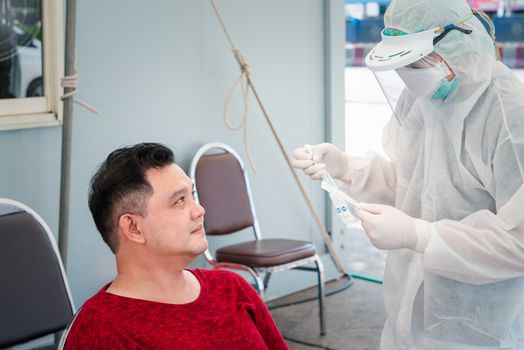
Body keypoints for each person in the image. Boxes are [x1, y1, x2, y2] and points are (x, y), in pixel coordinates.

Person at [292, 0, 524, 349]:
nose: (410, 75)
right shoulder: (422, 96)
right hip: (408, 315)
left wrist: (422, 235)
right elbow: (411, 183)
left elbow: (518, 242)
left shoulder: (509, 116)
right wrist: (346, 167)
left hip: (482, 324)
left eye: (417, 62)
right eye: (403, 65)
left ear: (457, 43)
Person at [64, 143, 288, 350]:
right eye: (179, 201)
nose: (200, 210)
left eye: (192, 195)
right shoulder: (99, 332)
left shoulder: (232, 289)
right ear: (133, 227)